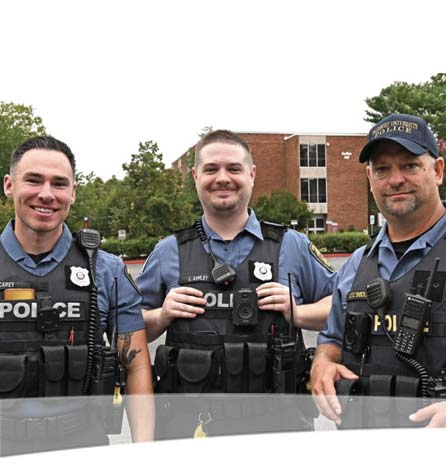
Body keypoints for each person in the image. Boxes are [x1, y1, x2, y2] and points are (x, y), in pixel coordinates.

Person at [137, 129, 334, 437]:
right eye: (211, 169)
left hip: (278, 429)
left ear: (252, 174)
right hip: (190, 430)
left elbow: (343, 306)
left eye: (233, 168)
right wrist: (161, 316)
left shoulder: (291, 245)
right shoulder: (169, 250)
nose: (222, 178)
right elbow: (128, 330)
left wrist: (298, 312)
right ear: (195, 177)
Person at [0, 136, 154, 455]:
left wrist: (143, 455)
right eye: (33, 180)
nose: (46, 194)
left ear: (73, 192)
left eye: (59, 183)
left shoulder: (107, 271)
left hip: (83, 448)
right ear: (9, 185)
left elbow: (136, 366)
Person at [311, 113, 446, 429]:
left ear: (438, 171)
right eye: (382, 169)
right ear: (369, 178)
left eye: (410, 165)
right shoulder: (356, 265)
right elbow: (331, 342)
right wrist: (322, 364)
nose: (395, 180)